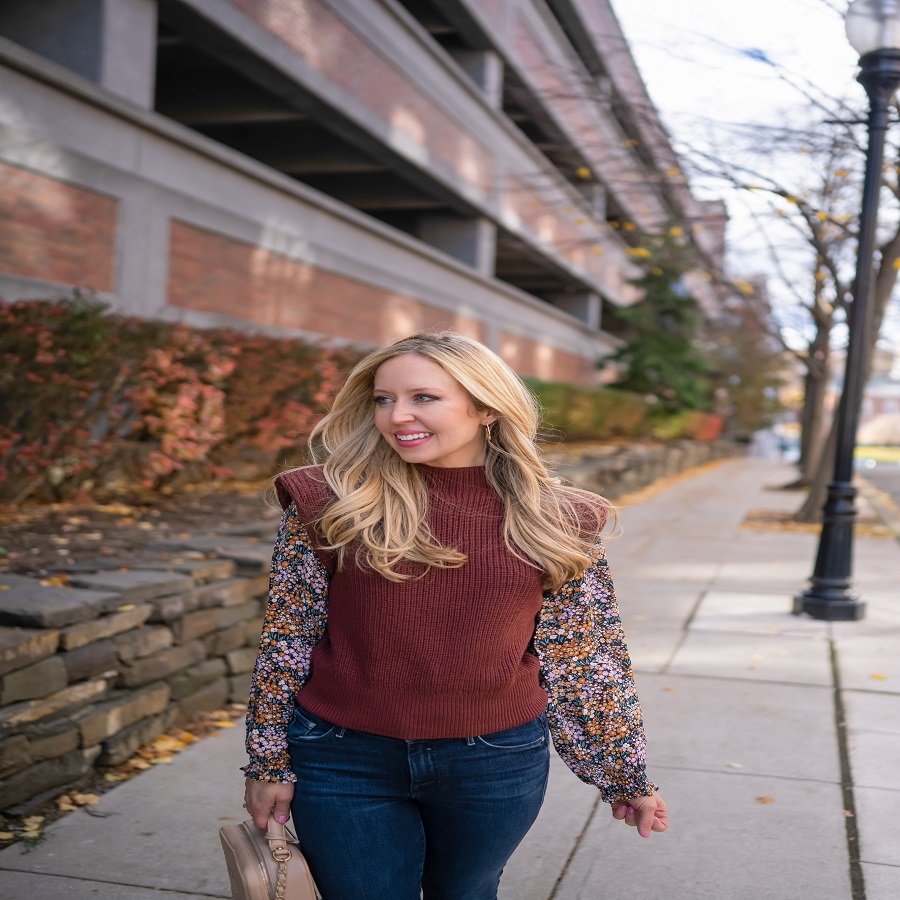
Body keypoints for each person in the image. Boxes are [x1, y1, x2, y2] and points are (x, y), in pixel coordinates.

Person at [243, 332, 667, 899]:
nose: (397, 416)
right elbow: (288, 637)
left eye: (424, 397)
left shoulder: (557, 520)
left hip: (493, 762)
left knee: (465, 893)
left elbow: (586, 659)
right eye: (383, 399)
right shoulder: (330, 502)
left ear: (486, 406)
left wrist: (623, 774)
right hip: (343, 753)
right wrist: (267, 761)